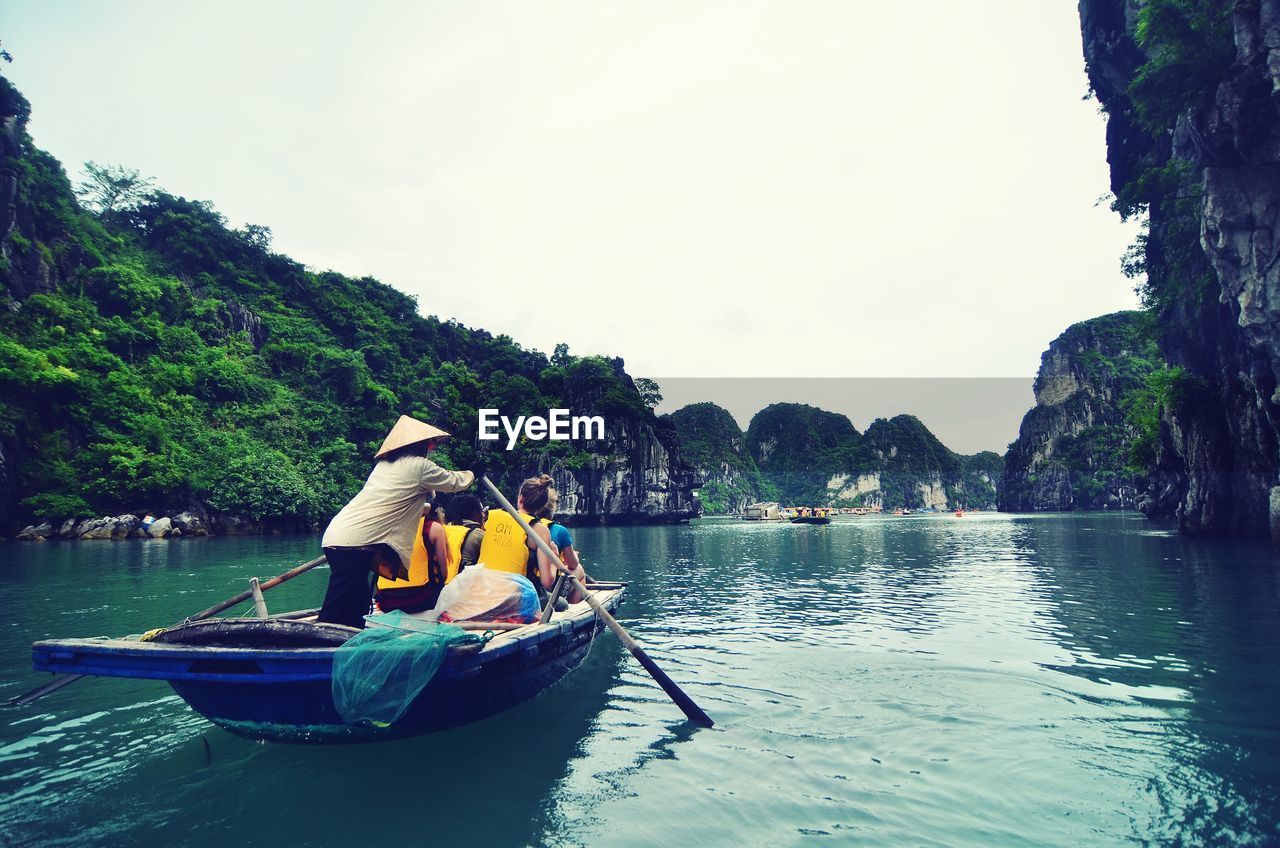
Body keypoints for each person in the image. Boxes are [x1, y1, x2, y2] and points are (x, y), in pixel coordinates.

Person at [319, 415, 476, 628]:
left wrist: (426, 507)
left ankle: (347, 636)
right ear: (419, 446)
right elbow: (454, 482)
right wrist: (473, 473)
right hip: (355, 542)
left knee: (357, 599)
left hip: (339, 535)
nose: (429, 449)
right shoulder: (419, 466)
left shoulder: (383, 466)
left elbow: (396, 501)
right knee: (340, 603)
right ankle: (323, 642)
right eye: (428, 445)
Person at [477, 474, 584, 604]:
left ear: (520, 498)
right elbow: (547, 582)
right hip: (515, 598)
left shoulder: (491, 516)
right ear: (542, 505)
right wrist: (554, 559)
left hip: (481, 590)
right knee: (563, 604)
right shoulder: (540, 531)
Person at [375, 501, 449, 614]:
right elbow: (443, 573)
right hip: (421, 599)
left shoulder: (387, 525)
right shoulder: (434, 528)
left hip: (387, 600)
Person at [444, 493, 486, 572]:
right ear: (475, 514)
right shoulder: (479, 535)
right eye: (481, 511)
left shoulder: (445, 528)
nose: (483, 515)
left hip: (442, 580)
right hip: (464, 581)